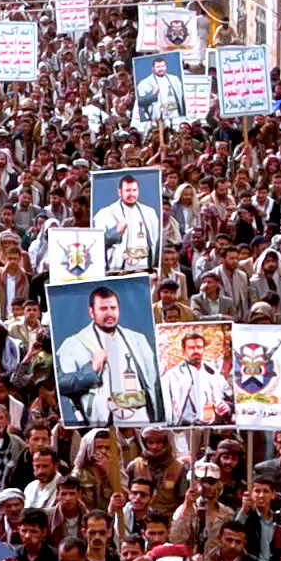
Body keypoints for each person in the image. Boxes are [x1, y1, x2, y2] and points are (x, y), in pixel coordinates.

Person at [56, 286, 161, 426]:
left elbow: (154, 382)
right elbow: (63, 385)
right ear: (91, 312)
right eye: (103, 309)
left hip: (140, 421)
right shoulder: (73, 344)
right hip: (101, 424)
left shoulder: (138, 340)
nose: (110, 313)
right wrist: (91, 369)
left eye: (113, 308)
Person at [93, 175, 163, 273]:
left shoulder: (150, 213)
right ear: (120, 192)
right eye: (128, 190)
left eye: (134, 190)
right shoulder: (105, 213)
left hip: (144, 269)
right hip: (118, 271)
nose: (131, 194)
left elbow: (156, 242)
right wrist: (115, 231)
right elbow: (96, 243)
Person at [161, 330, 232, 426]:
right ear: (183, 351)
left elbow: (231, 400)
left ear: (204, 350)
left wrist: (227, 406)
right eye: (191, 348)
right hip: (184, 428)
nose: (196, 351)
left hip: (213, 429)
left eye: (199, 347)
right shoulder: (171, 377)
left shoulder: (215, 375)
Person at [136, 56, 185, 123]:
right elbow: (140, 102)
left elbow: (182, 98)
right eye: (158, 67)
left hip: (175, 116)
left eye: (163, 66)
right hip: (157, 119)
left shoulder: (175, 79)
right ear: (153, 68)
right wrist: (152, 94)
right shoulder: (144, 83)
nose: (161, 69)